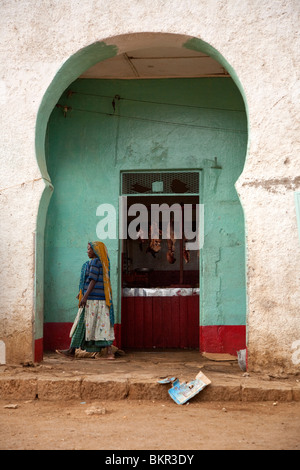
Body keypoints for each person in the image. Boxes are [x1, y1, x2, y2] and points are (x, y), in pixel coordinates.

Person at [56, 241, 115, 360]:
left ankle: (108, 353)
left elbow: (92, 280)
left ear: (96, 251)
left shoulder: (94, 262)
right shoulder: (102, 263)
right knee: (100, 325)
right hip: (99, 299)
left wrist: (85, 296)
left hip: (93, 300)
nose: (87, 251)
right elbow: (92, 281)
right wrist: (82, 293)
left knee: (85, 324)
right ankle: (72, 350)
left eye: (89, 249)